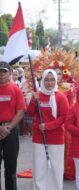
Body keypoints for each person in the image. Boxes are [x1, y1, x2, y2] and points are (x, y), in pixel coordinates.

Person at [27, 69, 69, 190]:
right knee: (39, 167)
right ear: (42, 80)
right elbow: (30, 113)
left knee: (55, 167)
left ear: (56, 81)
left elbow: (64, 117)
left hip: (56, 138)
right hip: (39, 138)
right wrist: (34, 101)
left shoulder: (60, 97)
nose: (49, 83)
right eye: (46, 80)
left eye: (52, 80)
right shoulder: (37, 95)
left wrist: (48, 126)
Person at [0, 61, 26, 190]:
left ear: (9, 73)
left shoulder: (16, 89)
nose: (1, 74)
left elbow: (21, 112)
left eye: (4, 72)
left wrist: (8, 128)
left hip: (11, 131)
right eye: (0, 72)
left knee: (10, 168)